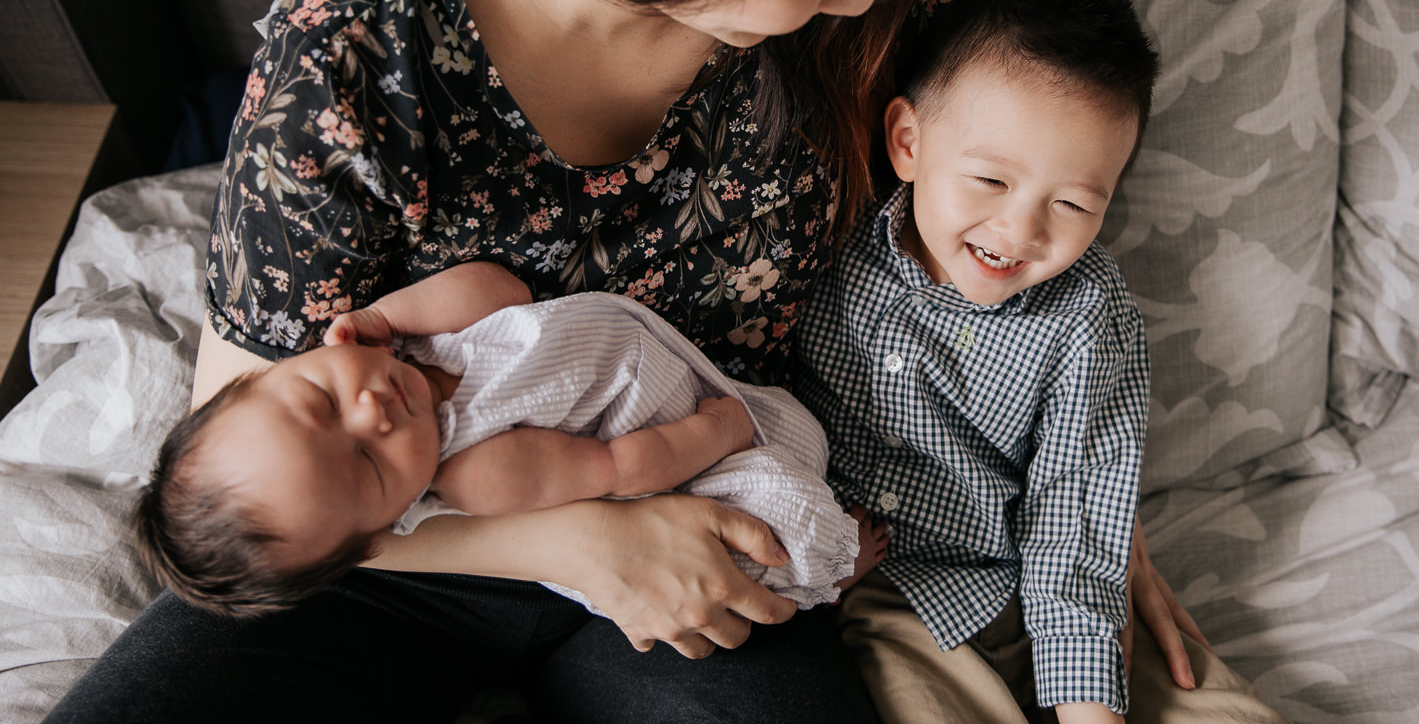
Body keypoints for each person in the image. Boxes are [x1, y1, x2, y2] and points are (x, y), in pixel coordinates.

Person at [44, 0, 1239, 721]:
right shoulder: (354, 57)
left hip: (729, 518)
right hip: (406, 549)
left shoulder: (844, 23)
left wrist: (1077, 505)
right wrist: (571, 542)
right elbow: (263, 464)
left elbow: (999, 196)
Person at [797, 0, 1288, 724]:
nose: (1020, 230)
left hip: (1045, 580)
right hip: (895, 593)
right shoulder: (827, 242)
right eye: (990, 181)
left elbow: (1077, 516)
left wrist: (1087, 695)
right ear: (907, 142)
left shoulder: (1088, 315)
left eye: (1071, 202)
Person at [135, 260, 877, 618]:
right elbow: (618, 468)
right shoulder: (475, 472)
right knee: (774, 522)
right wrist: (717, 429)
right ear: (388, 525)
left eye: (320, 396)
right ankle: (835, 564)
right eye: (366, 462)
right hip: (678, 447)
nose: (371, 412)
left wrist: (390, 321)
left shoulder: (419, 351)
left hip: (666, 374)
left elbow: (505, 296)